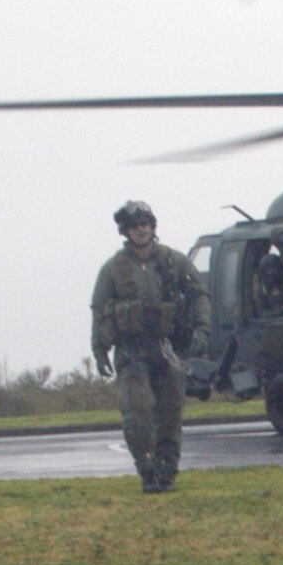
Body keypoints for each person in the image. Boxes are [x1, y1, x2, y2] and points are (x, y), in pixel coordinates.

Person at [91, 200, 210, 492]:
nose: (141, 230)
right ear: (126, 231)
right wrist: (99, 350)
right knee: (138, 413)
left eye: (145, 224)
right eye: (135, 226)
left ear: (152, 226)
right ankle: (147, 471)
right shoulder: (112, 269)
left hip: (167, 348)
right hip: (131, 351)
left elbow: (199, 294)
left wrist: (202, 328)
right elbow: (100, 309)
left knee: (170, 414)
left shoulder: (174, 261)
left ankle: (166, 473)